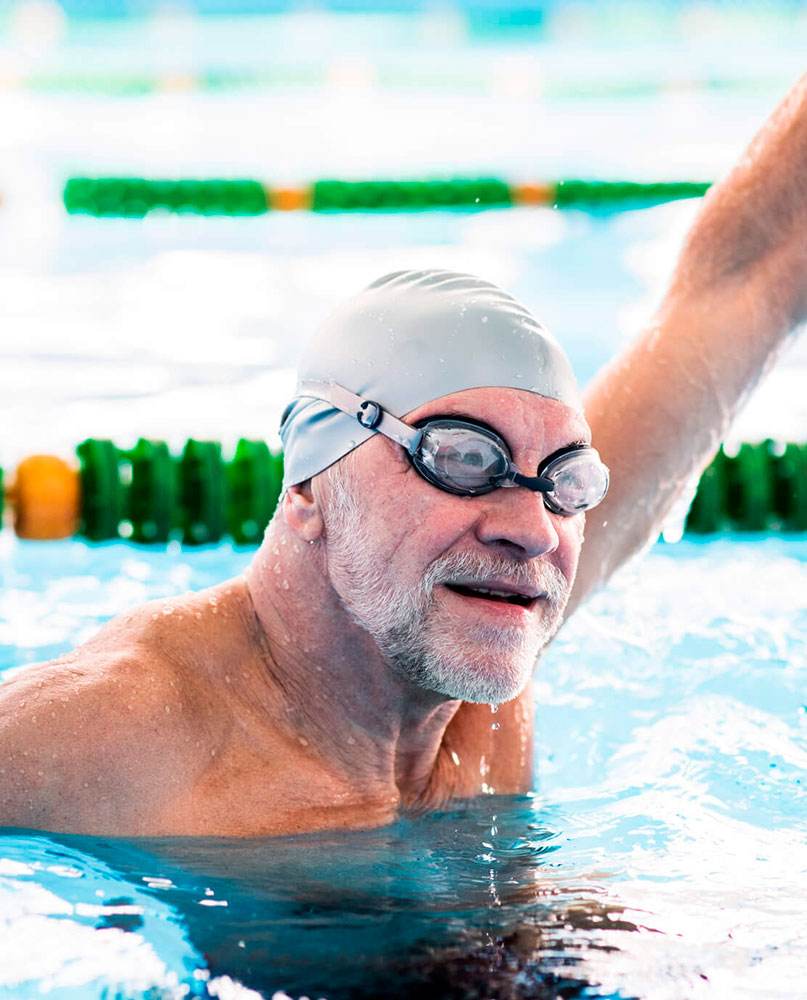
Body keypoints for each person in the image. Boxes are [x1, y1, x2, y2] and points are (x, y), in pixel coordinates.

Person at [1, 76, 804, 838]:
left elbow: (749, 278)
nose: (529, 528)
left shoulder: (480, 621)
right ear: (310, 486)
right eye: (460, 460)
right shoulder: (117, 734)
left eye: (565, 481)